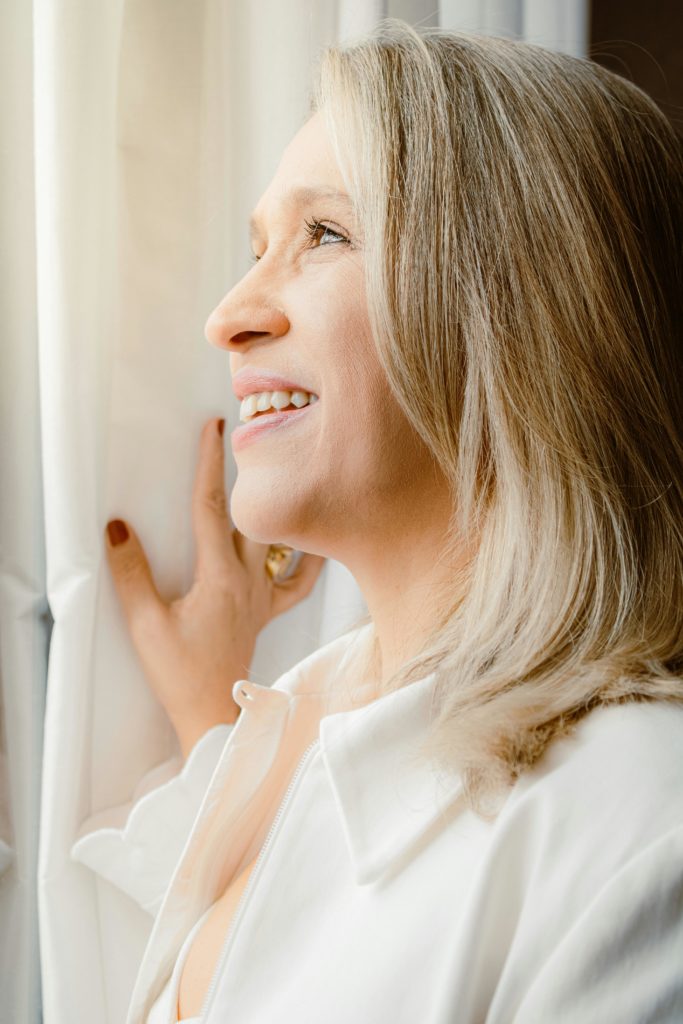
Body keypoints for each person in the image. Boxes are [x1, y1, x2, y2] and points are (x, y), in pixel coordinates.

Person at [73, 19, 683, 1024]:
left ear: (519, 310)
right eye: (258, 245)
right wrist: (207, 727)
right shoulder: (302, 731)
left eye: (323, 235)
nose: (227, 314)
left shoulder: (640, 821)